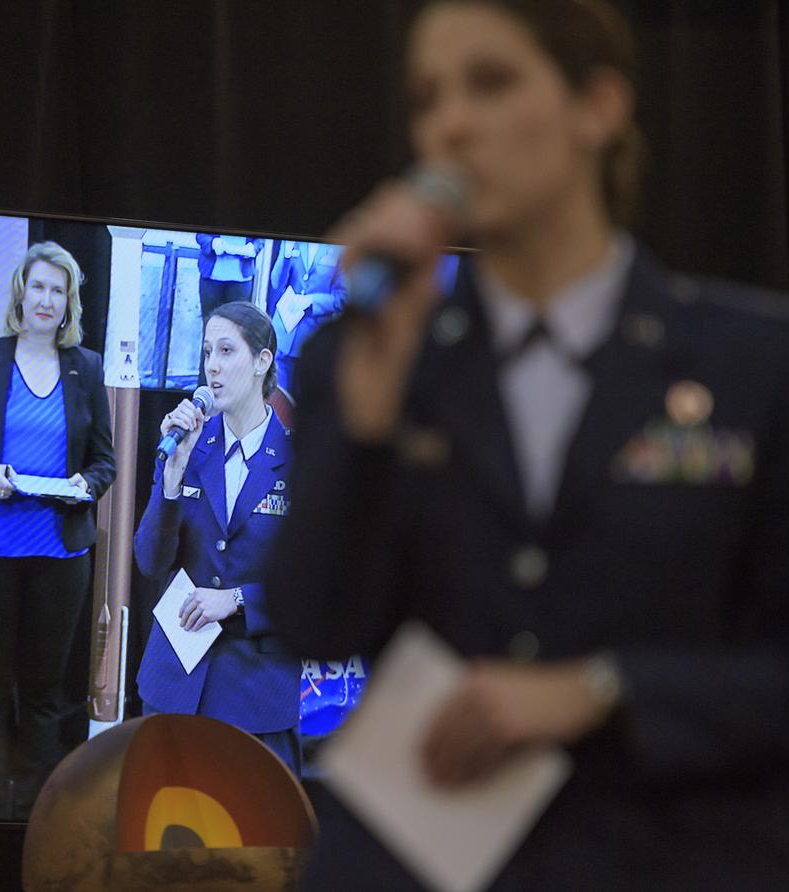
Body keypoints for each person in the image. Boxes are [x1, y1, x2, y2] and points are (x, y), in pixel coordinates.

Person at [266, 1, 789, 888]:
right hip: (415, 857)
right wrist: (366, 418)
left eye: (492, 82)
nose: (451, 124)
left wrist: (603, 689)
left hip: (666, 845)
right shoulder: (373, 359)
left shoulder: (753, 363)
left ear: (599, 107)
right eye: (428, 98)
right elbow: (316, 621)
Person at [0, 241, 116, 821]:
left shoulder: (85, 368)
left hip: (59, 559)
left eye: (57, 290)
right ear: (21, 293)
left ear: (69, 304)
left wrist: (86, 486)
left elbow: (104, 462)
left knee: (44, 699)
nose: (46, 299)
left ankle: (39, 827)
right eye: (37, 286)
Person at [135, 301, 301, 774]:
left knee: (248, 841)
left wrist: (238, 599)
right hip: (176, 683)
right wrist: (169, 484)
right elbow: (150, 561)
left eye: (227, 350)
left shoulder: (299, 461)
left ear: (262, 362)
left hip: (256, 692)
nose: (212, 365)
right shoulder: (189, 449)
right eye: (208, 350)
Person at [266, 239, 346, 397]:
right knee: (278, 400)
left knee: (305, 402)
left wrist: (311, 300)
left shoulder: (338, 248)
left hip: (312, 336)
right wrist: (285, 254)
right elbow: (276, 283)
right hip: (284, 335)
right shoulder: (292, 243)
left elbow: (342, 298)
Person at [195, 234, 266, 321]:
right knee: (210, 321)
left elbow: (261, 239)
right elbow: (201, 235)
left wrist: (253, 248)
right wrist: (212, 243)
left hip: (241, 280)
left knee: (238, 324)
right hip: (211, 278)